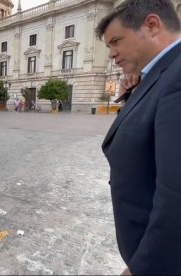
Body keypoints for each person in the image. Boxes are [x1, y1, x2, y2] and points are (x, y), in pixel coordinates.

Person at [95, 0, 181, 274]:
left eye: (116, 41)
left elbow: (175, 193)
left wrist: (143, 267)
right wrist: (134, 94)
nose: (111, 54)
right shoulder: (161, 74)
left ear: (152, 25)